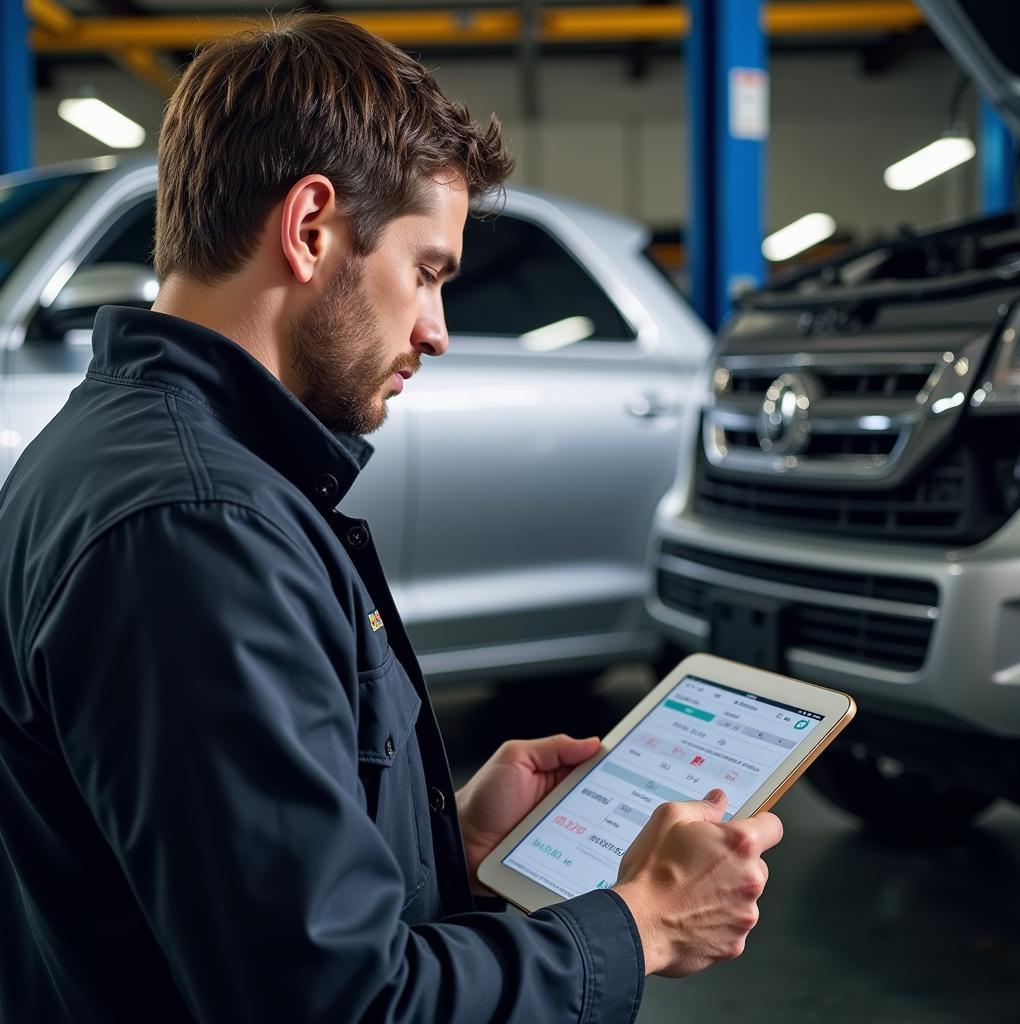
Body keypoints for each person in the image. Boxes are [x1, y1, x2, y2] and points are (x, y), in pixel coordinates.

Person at [0, 14, 782, 1023]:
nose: (437, 330)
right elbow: (344, 1003)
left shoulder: (107, 451)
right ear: (312, 227)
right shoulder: (200, 528)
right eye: (428, 271)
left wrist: (436, 839)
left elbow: (199, 879)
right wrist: (642, 924)